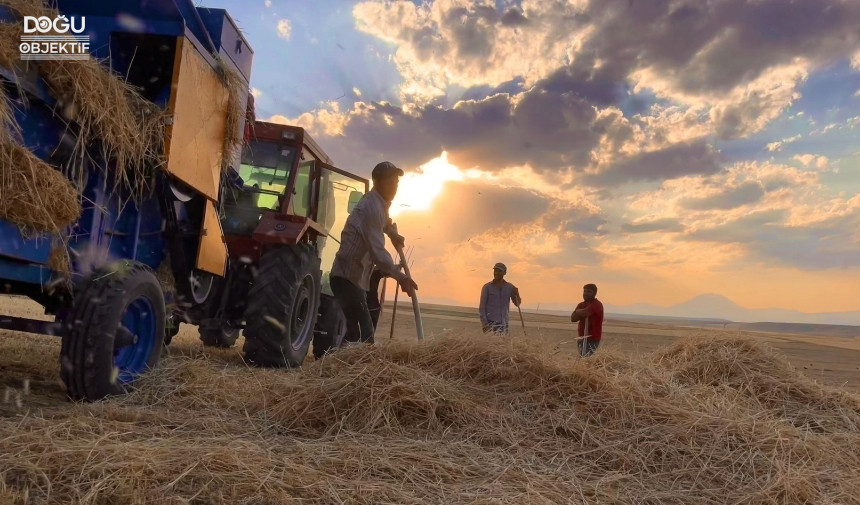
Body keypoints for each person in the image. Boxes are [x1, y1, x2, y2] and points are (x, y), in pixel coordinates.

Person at [329, 161, 418, 344]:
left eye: (397, 182)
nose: (395, 186)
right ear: (380, 183)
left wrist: (393, 233)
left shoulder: (378, 203)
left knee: (356, 331)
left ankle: (345, 365)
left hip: (353, 278)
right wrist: (400, 277)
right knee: (365, 332)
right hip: (347, 277)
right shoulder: (371, 207)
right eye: (392, 182)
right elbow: (378, 251)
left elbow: (385, 222)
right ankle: (348, 367)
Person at [478, 262, 522, 335]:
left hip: (504, 325)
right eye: (495, 271)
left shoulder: (509, 287)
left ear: (504, 273)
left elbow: (517, 304)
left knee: (502, 345)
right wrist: (485, 324)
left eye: (499, 271)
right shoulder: (487, 287)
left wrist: (517, 294)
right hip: (490, 324)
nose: (496, 273)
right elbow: (482, 308)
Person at [570, 283, 604, 357]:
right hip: (582, 337)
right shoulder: (581, 305)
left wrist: (577, 311)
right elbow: (573, 318)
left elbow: (585, 313)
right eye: (585, 291)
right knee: (582, 358)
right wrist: (579, 312)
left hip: (592, 339)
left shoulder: (597, 304)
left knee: (586, 359)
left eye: (589, 292)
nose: (586, 294)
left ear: (594, 293)